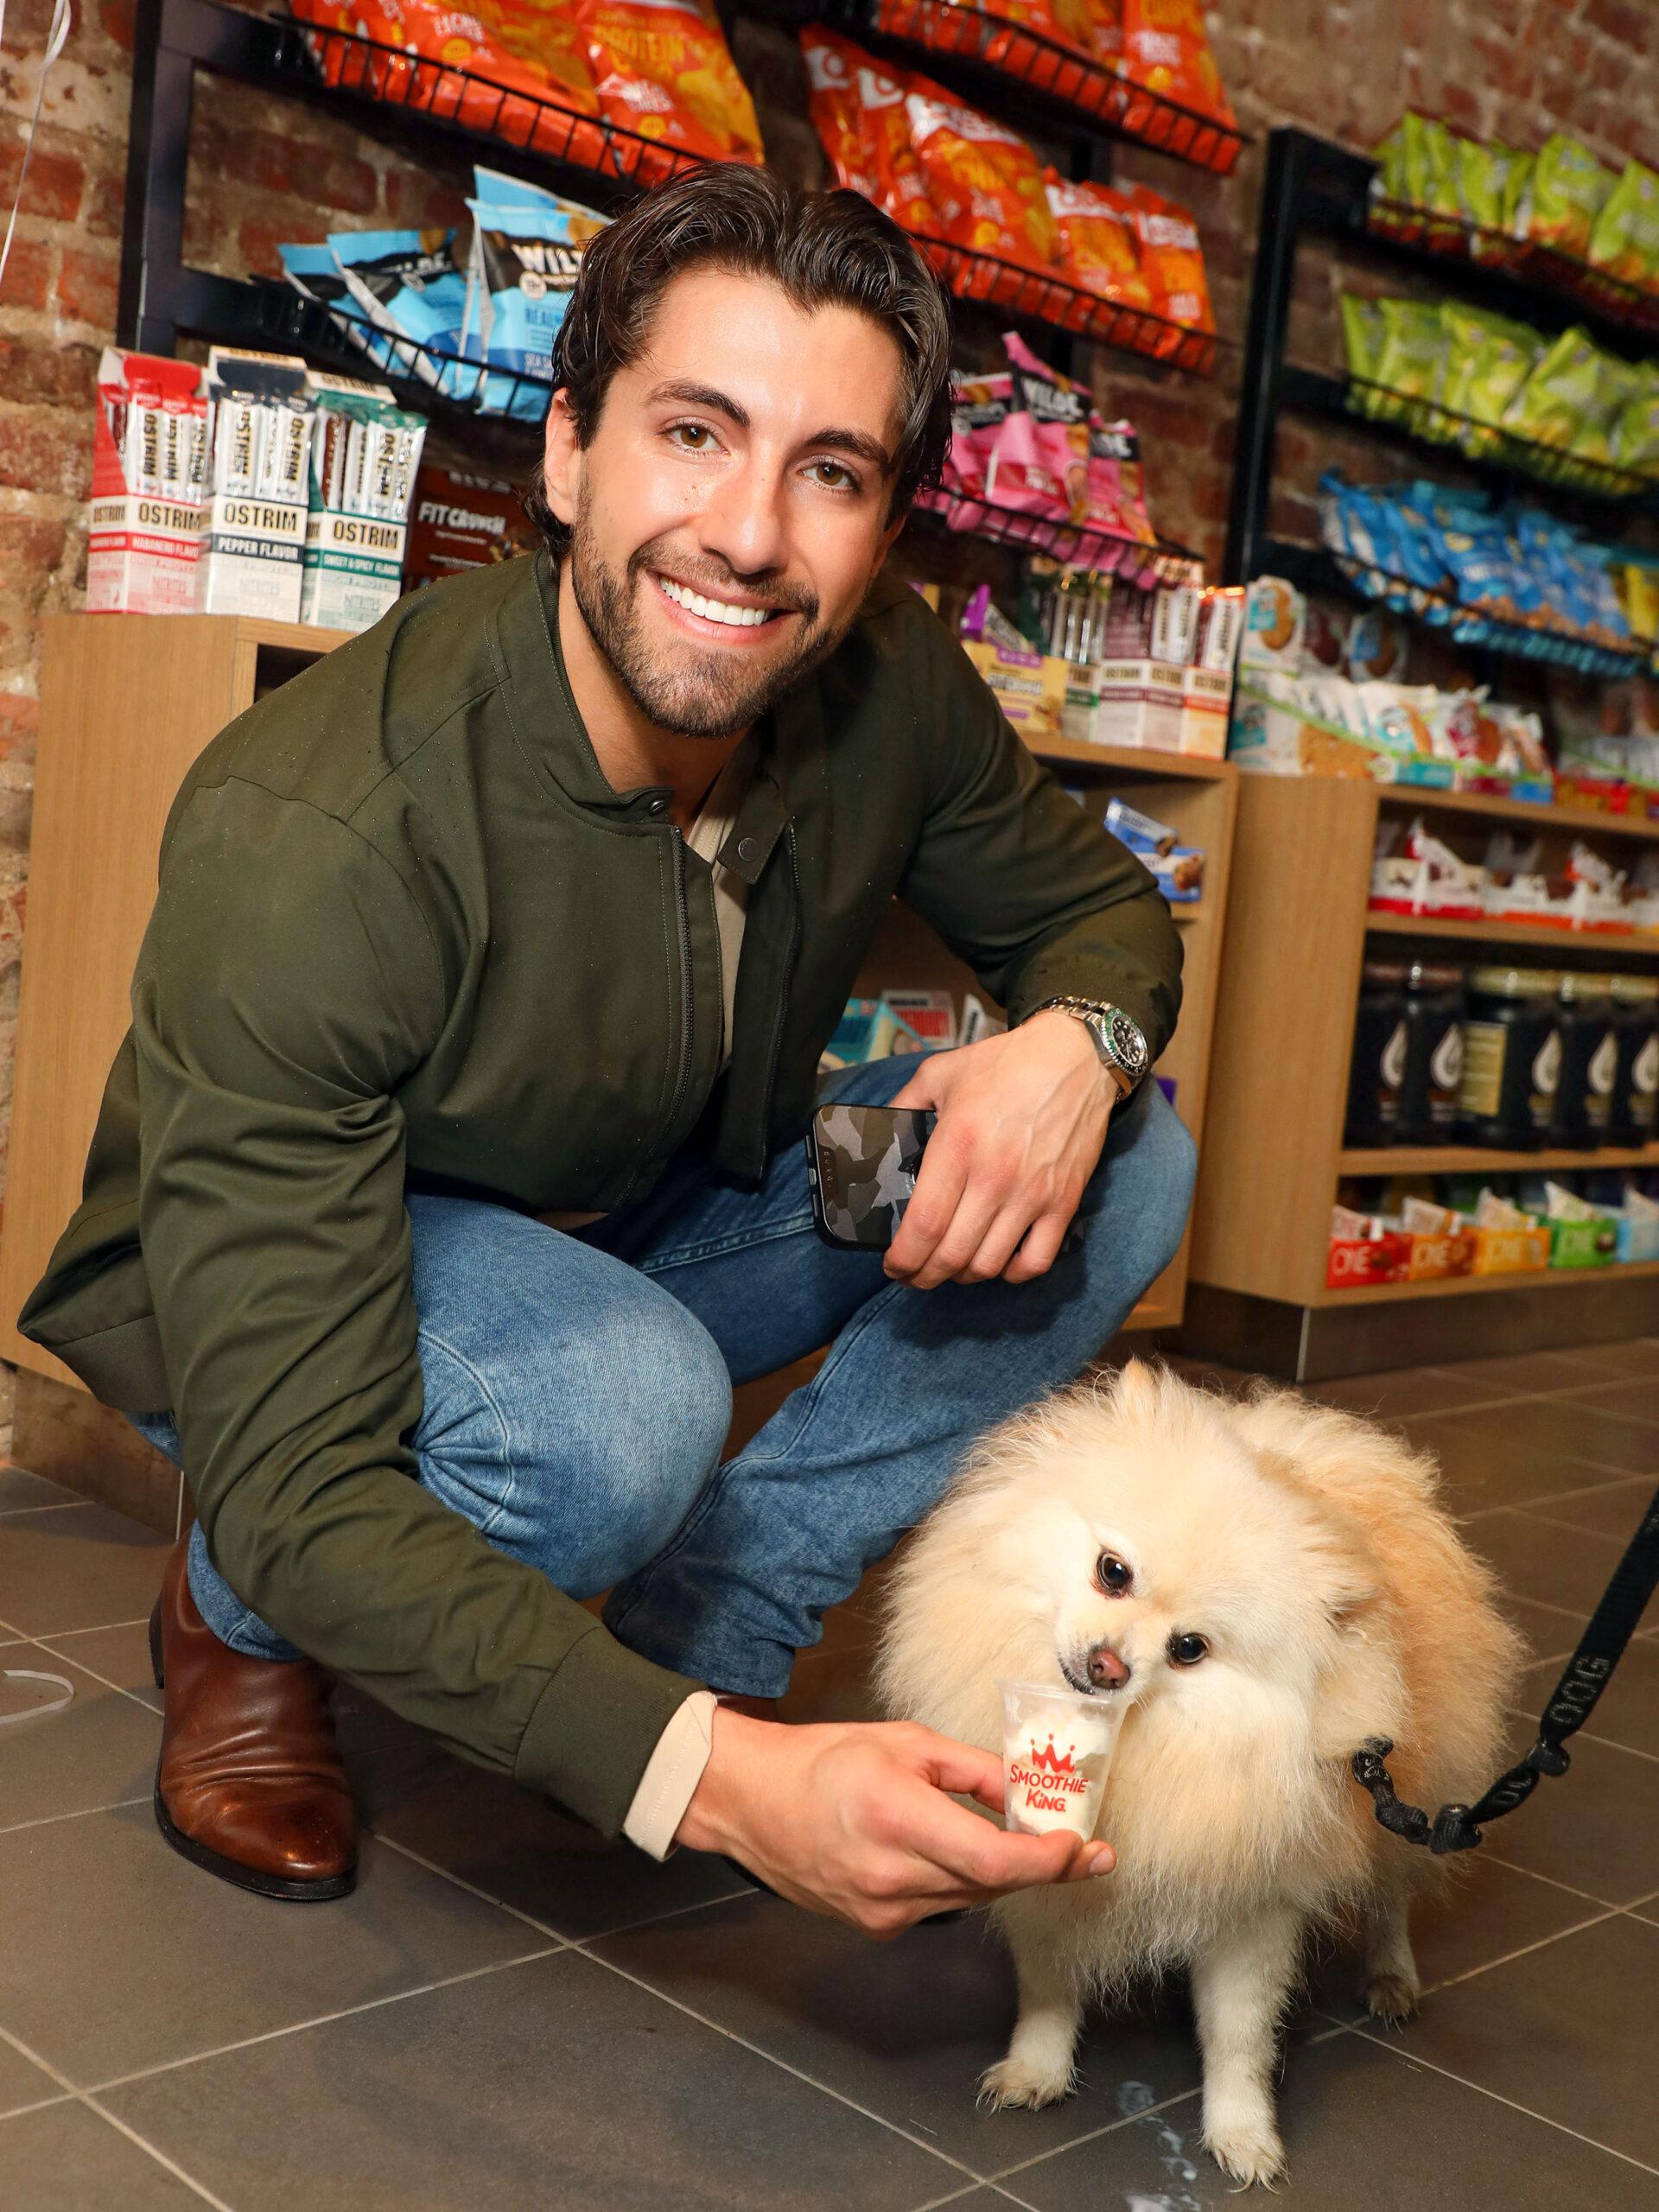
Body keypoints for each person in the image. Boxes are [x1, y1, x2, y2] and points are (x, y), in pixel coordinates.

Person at [17, 168, 1192, 1934]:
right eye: (695, 432)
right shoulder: (325, 827)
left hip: (656, 1207)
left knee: (1132, 1153)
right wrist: (721, 1782)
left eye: (834, 471)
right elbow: (311, 1455)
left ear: (885, 528)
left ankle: (703, 1626)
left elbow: (1104, 909)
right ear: (567, 451)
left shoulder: (885, 686)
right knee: (609, 1410)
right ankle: (234, 1614)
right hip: (321, 1282)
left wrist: (1078, 1045)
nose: (751, 534)